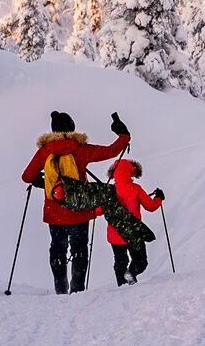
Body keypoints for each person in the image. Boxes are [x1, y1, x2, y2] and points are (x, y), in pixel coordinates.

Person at [21, 110, 130, 294]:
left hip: (54, 212)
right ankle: (77, 291)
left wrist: (44, 182)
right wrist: (123, 135)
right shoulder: (81, 149)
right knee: (79, 249)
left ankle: (60, 289)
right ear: (72, 127)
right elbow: (111, 151)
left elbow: (27, 177)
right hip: (79, 212)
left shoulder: (44, 152)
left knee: (57, 248)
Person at [108, 158, 163, 286]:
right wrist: (159, 198)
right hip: (133, 231)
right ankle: (131, 274)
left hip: (115, 232)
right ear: (131, 171)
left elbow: (99, 211)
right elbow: (150, 206)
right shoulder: (136, 189)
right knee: (141, 261)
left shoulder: (109, 190)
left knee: (120, 262)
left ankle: (121, 286)